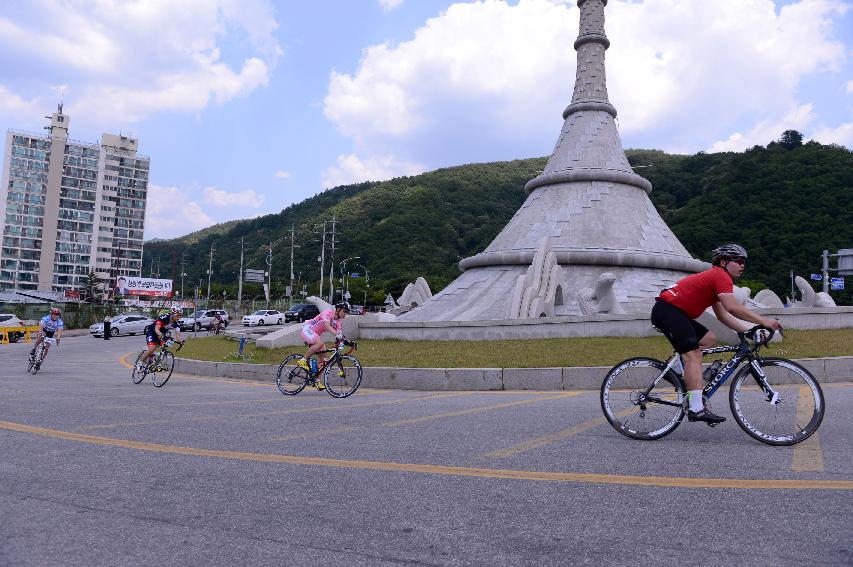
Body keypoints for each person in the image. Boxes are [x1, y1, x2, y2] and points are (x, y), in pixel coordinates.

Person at [651, 244, 783, 425]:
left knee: (709, 339)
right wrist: (764, 322)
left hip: (675, 312)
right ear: (723, 262)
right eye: (738, 261)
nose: (742, 265)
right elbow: (733, 307)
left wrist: (748, 331)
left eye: (744, 261)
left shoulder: (716, 279)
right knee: (694, 355)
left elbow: (723, 315)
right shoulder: (720, 275)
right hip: (669, 310)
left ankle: (675, 371)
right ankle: (696, 408)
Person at [297, 302, 349, 390]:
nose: (345, 314)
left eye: (346, 312)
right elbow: (327, 325)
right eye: (344, 311)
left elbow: (340, 335)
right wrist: (336, 334)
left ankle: (316, 381)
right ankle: (303, 360)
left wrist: (348, 342)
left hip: (315, 335)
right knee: (320, 343)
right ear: (338, 310)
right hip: (308, 329)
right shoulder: (328, 313)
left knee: (324, 360)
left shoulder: (339, 322)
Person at [136, 306, 184, 372]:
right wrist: (161, 335)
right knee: (152, 348)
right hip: (152, 332)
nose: (179, 317)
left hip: (161, 334)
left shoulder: (176, 324)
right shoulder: (164, 317)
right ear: (172, 314)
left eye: (181, 316)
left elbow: (178, 334)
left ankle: (158, 361)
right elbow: (156, 329)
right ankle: (140, 363)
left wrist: (181, 341)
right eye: (178, 315)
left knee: (166, 345)